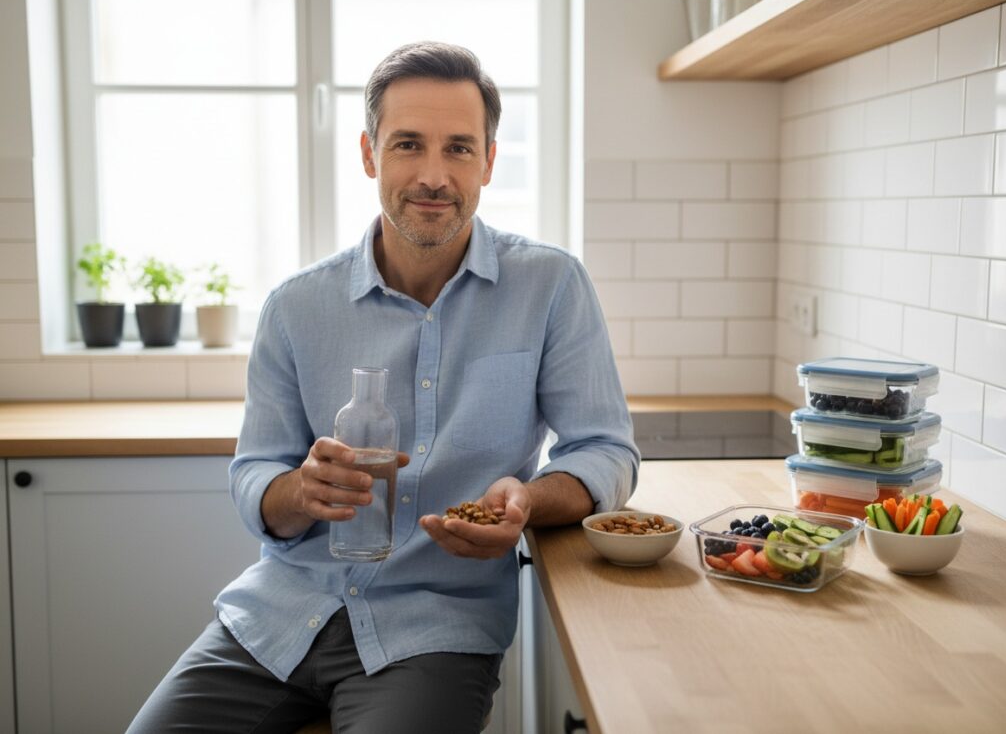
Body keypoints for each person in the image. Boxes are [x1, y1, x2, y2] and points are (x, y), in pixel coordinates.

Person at [128, 41, 639, 734]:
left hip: (434, 629)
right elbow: (255, 475)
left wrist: (528, 500)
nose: (433, 175)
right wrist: (299, 490)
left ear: (489, 161)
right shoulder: (295, 307)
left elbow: (605, 450)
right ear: (370, 154)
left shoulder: (550, 286)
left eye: (459, 148)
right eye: (408, 145)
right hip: (278, 616)